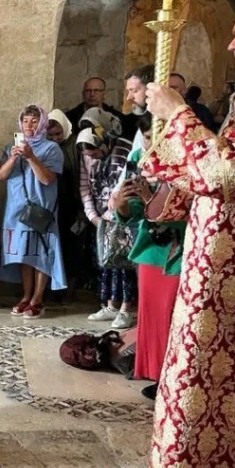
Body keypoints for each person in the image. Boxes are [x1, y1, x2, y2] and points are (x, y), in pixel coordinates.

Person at [140, 24, 235, 468]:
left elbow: (224, 175)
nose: (231, 45)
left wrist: (178, 114)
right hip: (210, 260)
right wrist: (162, 190)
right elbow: (210, 176)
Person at [110, 117, 185, 400]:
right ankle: (154, 371)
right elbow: (134, 212)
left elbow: (182, 214)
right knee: (151, 315)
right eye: (149, 135)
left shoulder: (185, 166)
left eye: (160, 134)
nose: (153, 142)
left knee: (170, 316)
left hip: (177, 250)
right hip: (150, 250)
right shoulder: (142, 160)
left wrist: (149, 197)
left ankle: (172, 377)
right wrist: (122, 207)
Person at [0, 105, 66, 318]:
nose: (29, 125)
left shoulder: (52, 149)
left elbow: (47, 178)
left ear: (42, 123)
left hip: (40, 210)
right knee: (24, 255)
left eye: (34, 121)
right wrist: (13, 158)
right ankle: (26, 296)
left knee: (42, 254)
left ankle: (38, 299)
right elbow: (0, 176)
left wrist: (30, 157)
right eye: (26, 121)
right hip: (16, 211)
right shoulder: (11, 147)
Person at [77, 108, 136, 329]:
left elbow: (122, 186)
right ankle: (110, 305)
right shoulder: (86, 150)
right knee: (106, 261)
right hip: (100, 218)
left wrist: (111, 217)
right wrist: (94, 216)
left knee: (123, 262)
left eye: (94, 154)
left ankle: (125, 309)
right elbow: (85, 186)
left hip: (120, 216)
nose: (91, 158)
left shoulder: (124, 151)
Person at [48, 109, 85, 296]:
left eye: (58, 134)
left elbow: (82, 175)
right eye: (51, 135)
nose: (55, 139)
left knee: (71, 249)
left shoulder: (75, 146)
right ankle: (53, 289)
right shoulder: (46, 148)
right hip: (52, 205)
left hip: (72, 205)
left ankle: (69, 290)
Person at [121, 65, 155, 140]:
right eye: (128, 91)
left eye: (134, 91)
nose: (129, 98)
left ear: (151, 88)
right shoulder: (129, 122)